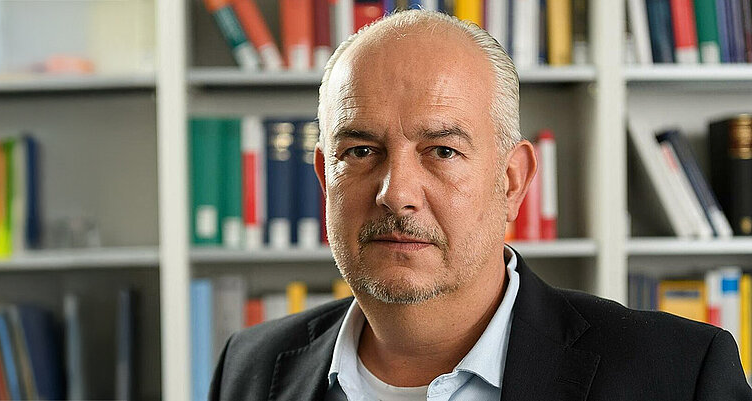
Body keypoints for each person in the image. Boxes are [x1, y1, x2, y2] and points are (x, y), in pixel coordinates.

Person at [208, 9, 752, 401]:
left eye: (442, 151)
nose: (396, 193)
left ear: (512, 182)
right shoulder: (249, 369)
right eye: (361, 151)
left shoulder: (679, 376)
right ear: (325, 179)